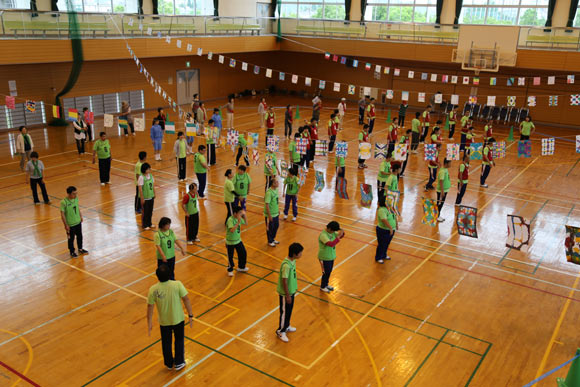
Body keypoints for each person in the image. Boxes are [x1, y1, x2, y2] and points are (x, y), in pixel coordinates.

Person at [147, 265, 193, 371]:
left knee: (166, 342)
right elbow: (186, 299)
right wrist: (190, 315)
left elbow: (150, 306)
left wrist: (149, 323)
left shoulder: (153, 289)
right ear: (170, 274)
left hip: (164, 322)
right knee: (179, 340)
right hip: (178, 319)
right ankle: (179, 362)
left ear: (157, 276)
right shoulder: (177, 284)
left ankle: (168, 363)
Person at [276, 242, 304, 343]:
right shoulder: (286, 265)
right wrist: (287, 295)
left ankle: (286, 326)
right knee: (284, 312)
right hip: (285, 294)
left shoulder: (293, 261)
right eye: (300, 253)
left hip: (291, 292)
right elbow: (284, 280)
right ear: (294, 254)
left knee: (289, 311)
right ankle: (281, 331)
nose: (301, 255)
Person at [60, 186, 88, 258]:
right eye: (73, 194)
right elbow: (62, 214)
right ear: (69, 194)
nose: (75, 195)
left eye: (76, 193)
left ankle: (80, 248)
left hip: (77, 222)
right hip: (70, 224)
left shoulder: (76, 199)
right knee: (71, 239)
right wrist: (66, 225)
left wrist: (80, 216)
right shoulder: (64, 202)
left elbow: (77, 207)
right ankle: (72, 251)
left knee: (79, 236)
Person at [318, 221, 344, 293]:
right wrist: (338, 237)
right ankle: (322, 286)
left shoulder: (331, 232)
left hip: (330, 256)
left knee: (329, 271)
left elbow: (341, 235)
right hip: (324, 257)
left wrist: (341, 230)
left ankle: (326, 284)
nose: (333, 232)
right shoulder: (323, 235)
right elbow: (331, 244)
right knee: (326, 272)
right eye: (332, 230)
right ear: (329, 228)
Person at [225, 205, 249, 276]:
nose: (241, 214)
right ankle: (230, 270)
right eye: (240, 213)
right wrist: (238, 222)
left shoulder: (239, 218)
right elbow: (232, 230)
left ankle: (241, 267)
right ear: (235, 213)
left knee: (243, 253)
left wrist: (244, 216)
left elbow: (246, 223)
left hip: (238, 240)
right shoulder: (230, 220)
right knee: (230, 256)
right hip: (230, 242)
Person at [375, 196, 397, 264]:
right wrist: (390, 228)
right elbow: (384, 219)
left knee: (387, 243)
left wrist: (396, 224)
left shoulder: (390, 208)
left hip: (391, 229)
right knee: (382, 244)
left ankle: (384, 255)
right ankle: (379, 257)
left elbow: (394, 215)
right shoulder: (381, 209)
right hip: (383, 230)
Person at [138, 163, 155, 229]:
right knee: (145, 212)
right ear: (144, 170)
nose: (149, 170)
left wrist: (154, 193)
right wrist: (142, 198)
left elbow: (153, 185)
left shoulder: (150, 176)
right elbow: (140, 188)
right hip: (145, 197)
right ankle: (145, 225)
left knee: (150, 211)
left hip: (151, 196)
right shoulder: (141, 177)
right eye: (148, 169)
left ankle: (149, 223)